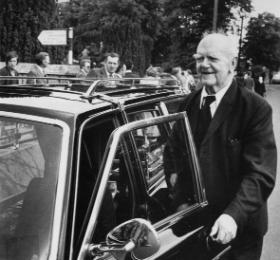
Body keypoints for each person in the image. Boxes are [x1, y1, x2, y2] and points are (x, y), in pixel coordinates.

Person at [169, 33, 277, 259]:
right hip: (195, 229)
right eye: (199, 58)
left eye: (212, 59)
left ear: (233, 64)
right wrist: (180, 201)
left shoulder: (255, 109)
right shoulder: (187, 104)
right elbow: (173, 156)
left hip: (239, 233)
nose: (203, 65)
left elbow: (260, 174)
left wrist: (233, 215)